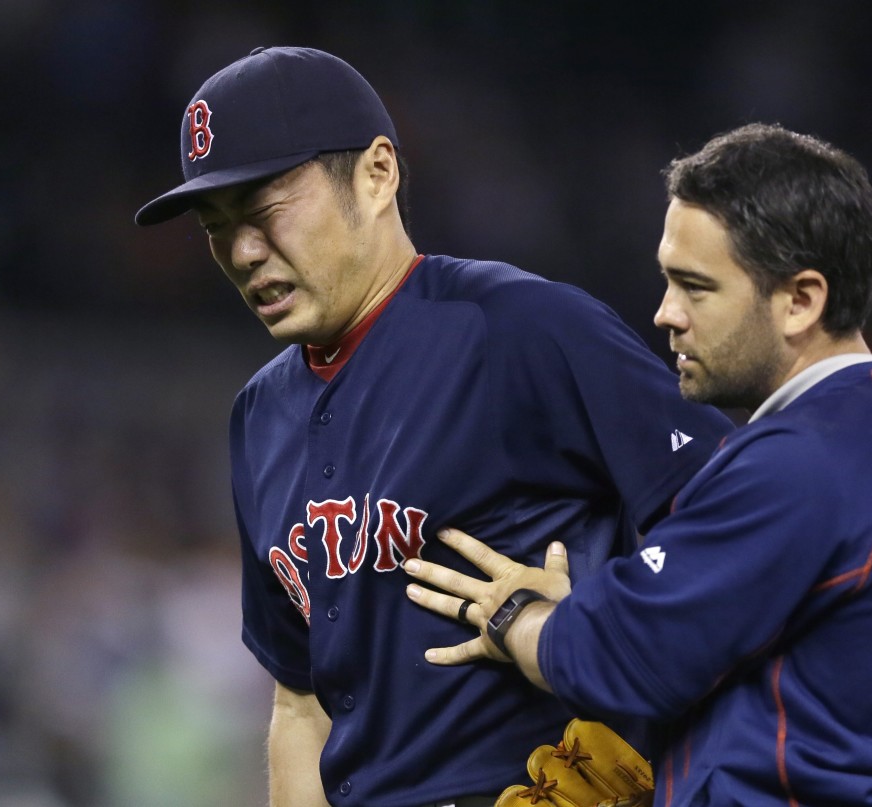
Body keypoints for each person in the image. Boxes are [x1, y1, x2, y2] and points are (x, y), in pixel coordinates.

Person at [134, 46, 733, 807]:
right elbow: (300, 701)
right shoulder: (259, 416)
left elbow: (742, 516)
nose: (244, 252)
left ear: (377, 174)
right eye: (216, 227)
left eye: (264, 211)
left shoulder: (520, 329)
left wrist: (598, 625)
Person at [404, 123, 872, 806]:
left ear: (801, 300)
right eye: (667, 281)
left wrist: (520, 618)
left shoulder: (810, 457)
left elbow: (616, 655)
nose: (666, 314)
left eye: (695, 287)